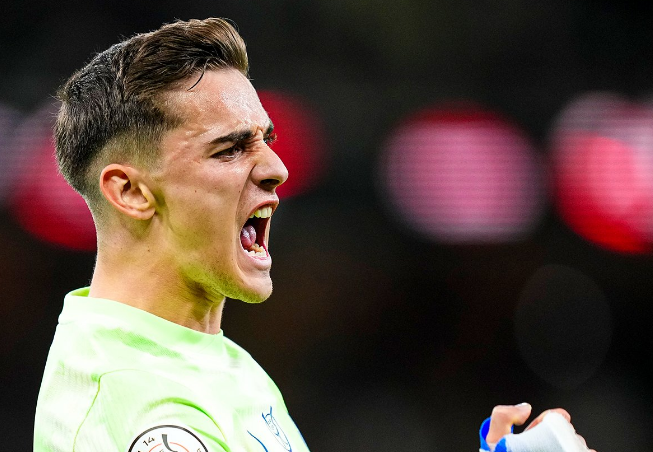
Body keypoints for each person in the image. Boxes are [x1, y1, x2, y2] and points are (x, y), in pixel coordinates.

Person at [33, 18, 595, 452]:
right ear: (130, 191)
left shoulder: (198, 356)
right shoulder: (141, 404)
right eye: (230, 149)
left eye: (266, 140)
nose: (276, 168)